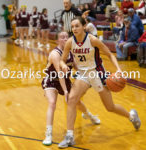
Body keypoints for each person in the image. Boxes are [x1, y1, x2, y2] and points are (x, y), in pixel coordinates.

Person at [58, 17, 141, 148]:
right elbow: (62, 60)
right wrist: (63, 65)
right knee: (72, 99)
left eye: (77, 26)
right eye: (72, 26)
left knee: (110, 107)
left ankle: (131, 116)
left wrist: (119, 70)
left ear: (84, 26)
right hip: (83, 74)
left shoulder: (92, 40)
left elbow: (110, 55)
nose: (74, 29)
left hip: (97, 73)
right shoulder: (70, 42)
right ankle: (69, 136)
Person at [42, 31, 100, 146]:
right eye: (61, 37)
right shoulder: (55, 54)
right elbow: (59, 74)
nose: (64, 39)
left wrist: (86, 79)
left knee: (76, 101)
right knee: (52, 103)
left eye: (66, 37)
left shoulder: (71, 52)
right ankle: (48, 134)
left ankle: (89, 116)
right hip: (52, 80)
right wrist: (65, 91)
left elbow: (77, 68)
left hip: (66, 80)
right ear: (57, 40)